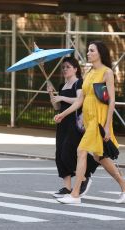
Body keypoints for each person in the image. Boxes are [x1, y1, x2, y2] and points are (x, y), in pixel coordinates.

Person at [54, 41, 125, 204]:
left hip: (99, 121)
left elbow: (112, 101)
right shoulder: (88, 73)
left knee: (81, 151)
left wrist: (107, 127)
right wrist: (62, 114)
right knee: (100, 157)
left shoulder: (107, 72)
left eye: (91, 50)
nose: (88, 53)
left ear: (100, 53)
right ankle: (124, 186)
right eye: (88, 51)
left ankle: (75, 194)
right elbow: (80, 100)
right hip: (89, 120)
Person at [47, 56, 99, 198]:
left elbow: (79, 101)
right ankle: (67, 187)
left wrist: (62, 98)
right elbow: (57, 106)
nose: (65, 69)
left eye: (68, 67)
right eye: (63, 67)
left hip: (74, 123)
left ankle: (83, 177)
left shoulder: (79, 83)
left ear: (75, 69)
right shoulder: (61, 86)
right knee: (59, 154)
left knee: (67, 152)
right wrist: (51, 93)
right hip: (62, 122)